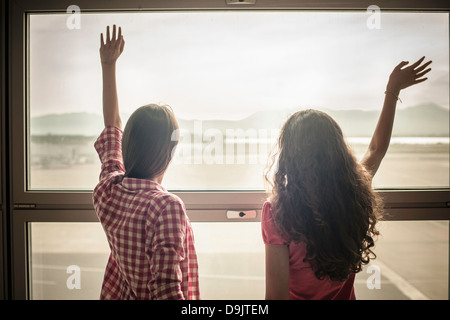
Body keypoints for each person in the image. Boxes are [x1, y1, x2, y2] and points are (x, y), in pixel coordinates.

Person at [262, 57, 432, 300]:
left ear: (290, 156)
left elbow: (275, 298)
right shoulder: (354, 193)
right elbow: (376, 149)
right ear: (338, 152)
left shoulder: (277, 212)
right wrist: (392, 90)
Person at [92, 25, 200, 300]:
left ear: (127, 145)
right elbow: (166, 291)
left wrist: (108, 65)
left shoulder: (109, 191)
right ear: (169, 152)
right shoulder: (166, 207)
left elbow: (112, 125)